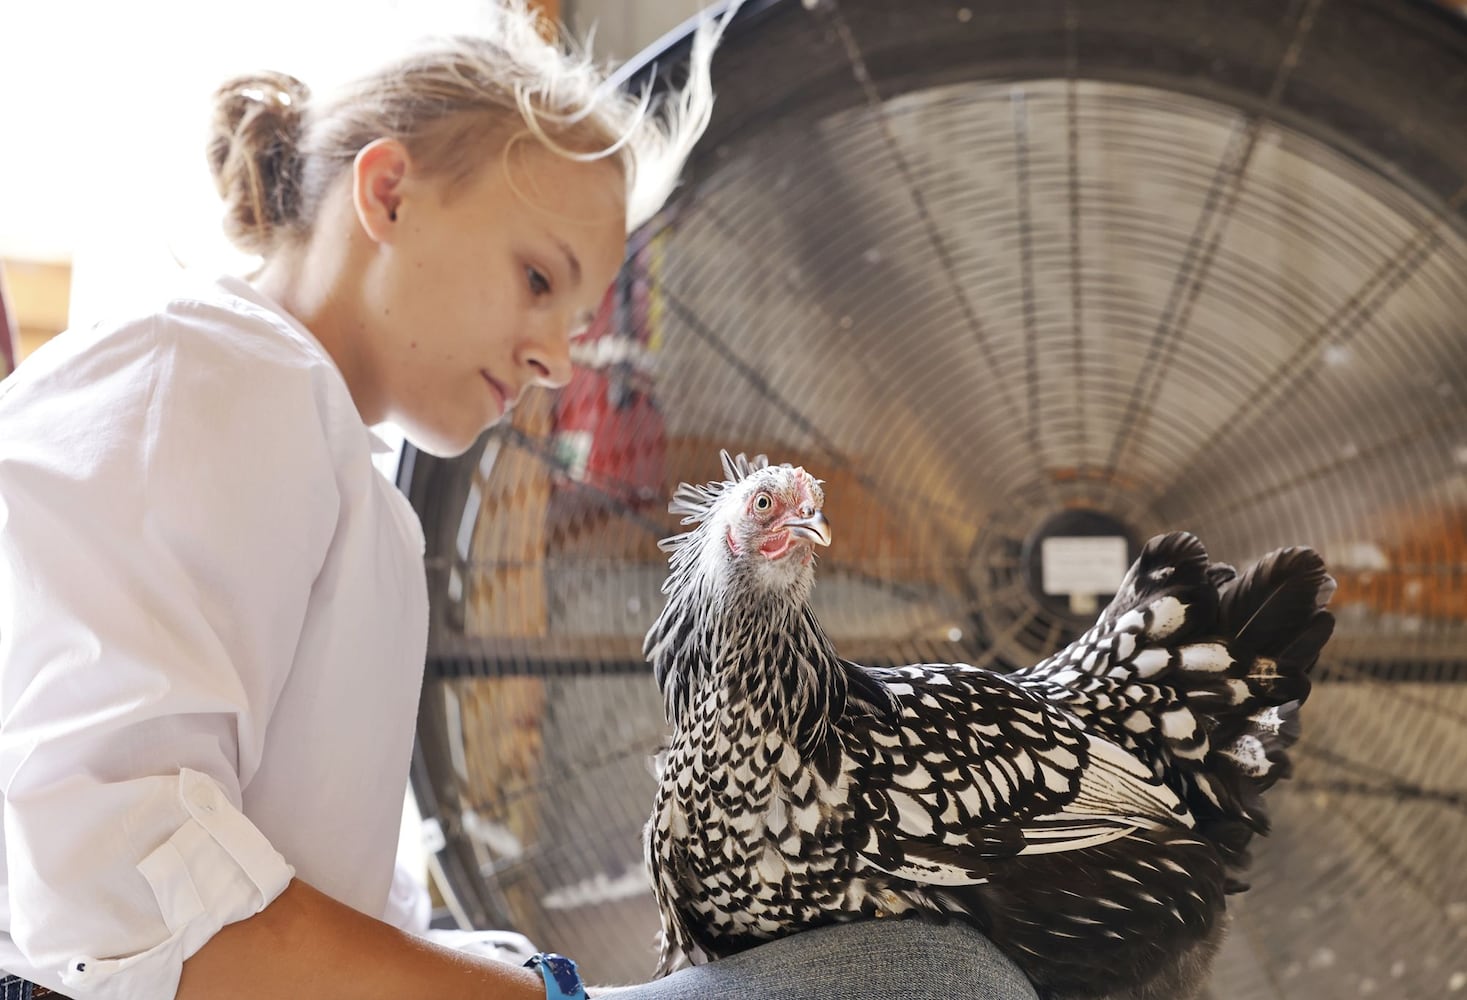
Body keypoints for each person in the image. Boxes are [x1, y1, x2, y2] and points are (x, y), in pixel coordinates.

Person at [0, 2, 1036, 998]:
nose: (553, 360)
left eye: (580, 322)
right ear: (390, 192)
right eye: (539, 279)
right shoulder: (205, 379)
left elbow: (325, 886)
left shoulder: (347, 483)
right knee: (931, 978)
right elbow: (116, 913)